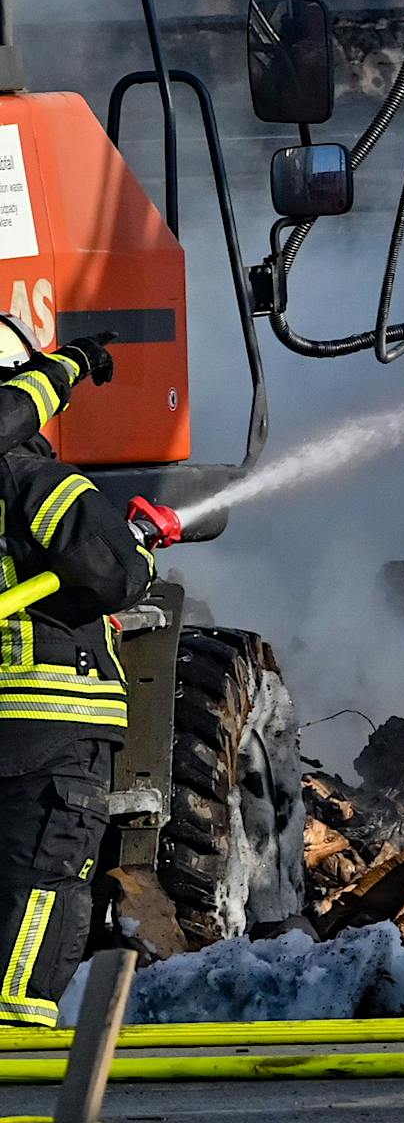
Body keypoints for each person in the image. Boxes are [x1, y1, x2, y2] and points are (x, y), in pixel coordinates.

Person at [0, 333, 180, 1027]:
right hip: (50, 724)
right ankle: (15, 1043)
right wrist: (137, 548)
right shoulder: (37, 479)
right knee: (43, 880)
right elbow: (111, 575)